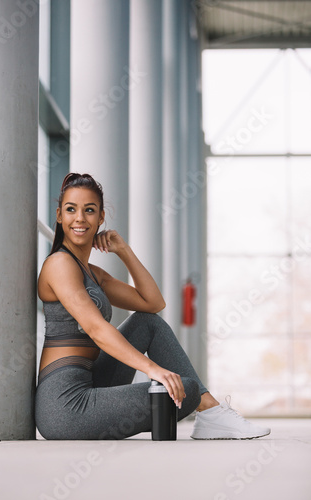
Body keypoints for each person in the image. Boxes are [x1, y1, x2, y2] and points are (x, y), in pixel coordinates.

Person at [35, 173, 270, 440]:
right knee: (186, 389)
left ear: (100, 218)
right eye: (71, 210)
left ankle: (211, 413)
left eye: (89, 210)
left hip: (92, 382)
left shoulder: (93, 273)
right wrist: (152, 369)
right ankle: (210, 411)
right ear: (58, 215)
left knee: (148, 323)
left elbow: (152, 303)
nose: (79, 218)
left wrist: (123, 250)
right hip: (65, 405)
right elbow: (96, 329)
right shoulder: (59, 264)